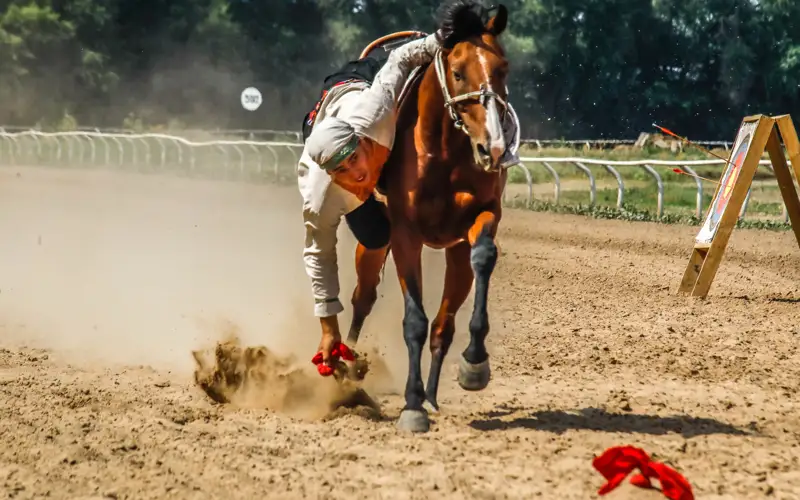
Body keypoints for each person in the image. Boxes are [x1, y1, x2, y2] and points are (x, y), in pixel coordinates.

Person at [297, 27, 521, 375]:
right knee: (376, 236)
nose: (357, 173)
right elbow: (318, 253)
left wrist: (441, 40)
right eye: (342, 171)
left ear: (362, 140)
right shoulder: (320, 195)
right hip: (332, 104)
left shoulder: (374, 114)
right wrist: (329, 330)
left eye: (355, 159)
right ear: (329, 175)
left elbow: (400, 59)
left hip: (365, 83)